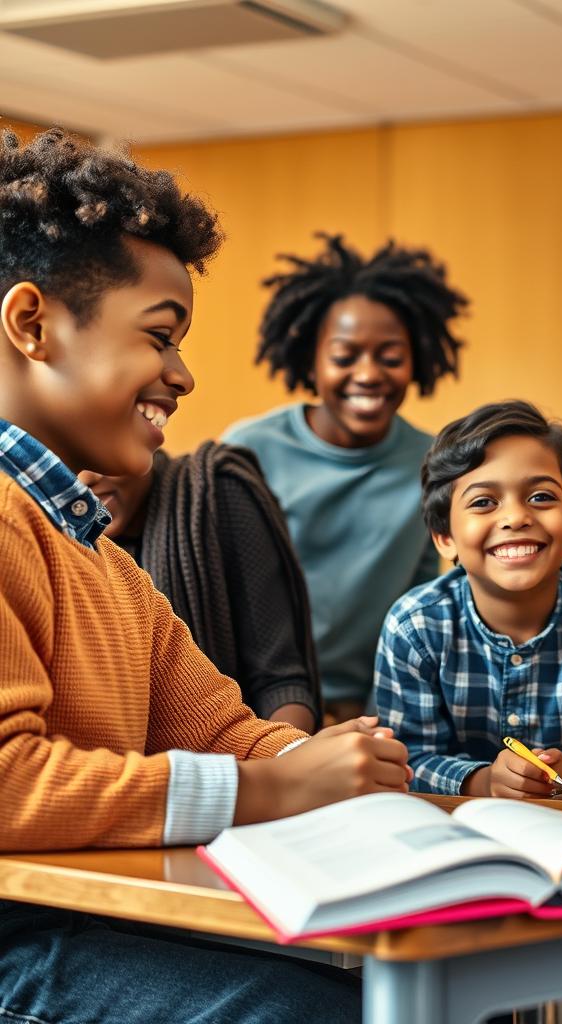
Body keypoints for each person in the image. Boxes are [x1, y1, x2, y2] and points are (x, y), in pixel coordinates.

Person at [0, 127, 410, 1024]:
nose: (182, 375)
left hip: (76, 914)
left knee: (378, 985)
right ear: (32, 325)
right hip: (16, 941)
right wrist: (275, 789)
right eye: (160, 337)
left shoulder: (103, 563)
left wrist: (334, 769)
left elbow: (226, 731)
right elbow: (8, 784)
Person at [223, 234, 467, 722]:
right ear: (310, 361)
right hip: (253, 707)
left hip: (375, 711)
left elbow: (418, 606)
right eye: (344, 356)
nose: (369, 373)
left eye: (390, 356)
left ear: (416, 358)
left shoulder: (436, 464)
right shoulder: (248, 450)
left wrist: (381, 718)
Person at [374, 400, 562, 797]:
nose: (515, 517)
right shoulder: (414, 627)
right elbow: (409, 756)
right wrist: (486, 781)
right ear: (445, 538)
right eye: (483, 502)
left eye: (541, 497)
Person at [78, 441, 321, 732]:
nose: (86, 479)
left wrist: (289, 762)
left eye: (100, 452)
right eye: (69, 459)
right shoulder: (60, 542)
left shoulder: (211, 495)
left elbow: (280, 680)